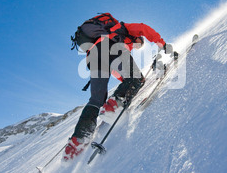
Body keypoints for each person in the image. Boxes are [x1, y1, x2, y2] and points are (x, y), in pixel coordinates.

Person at [64, 13, 173, 160]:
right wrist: (162, 44)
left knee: (96, 100)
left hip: (94, 56)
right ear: (137, 40)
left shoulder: (112, 35)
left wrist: (133, 82)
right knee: (135, 78)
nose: (138, 47)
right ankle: (113, 107)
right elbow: (143, 28)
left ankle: (77, 141)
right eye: (139, 44)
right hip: (111, 46)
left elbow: (120, 73)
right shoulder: (125, 30)